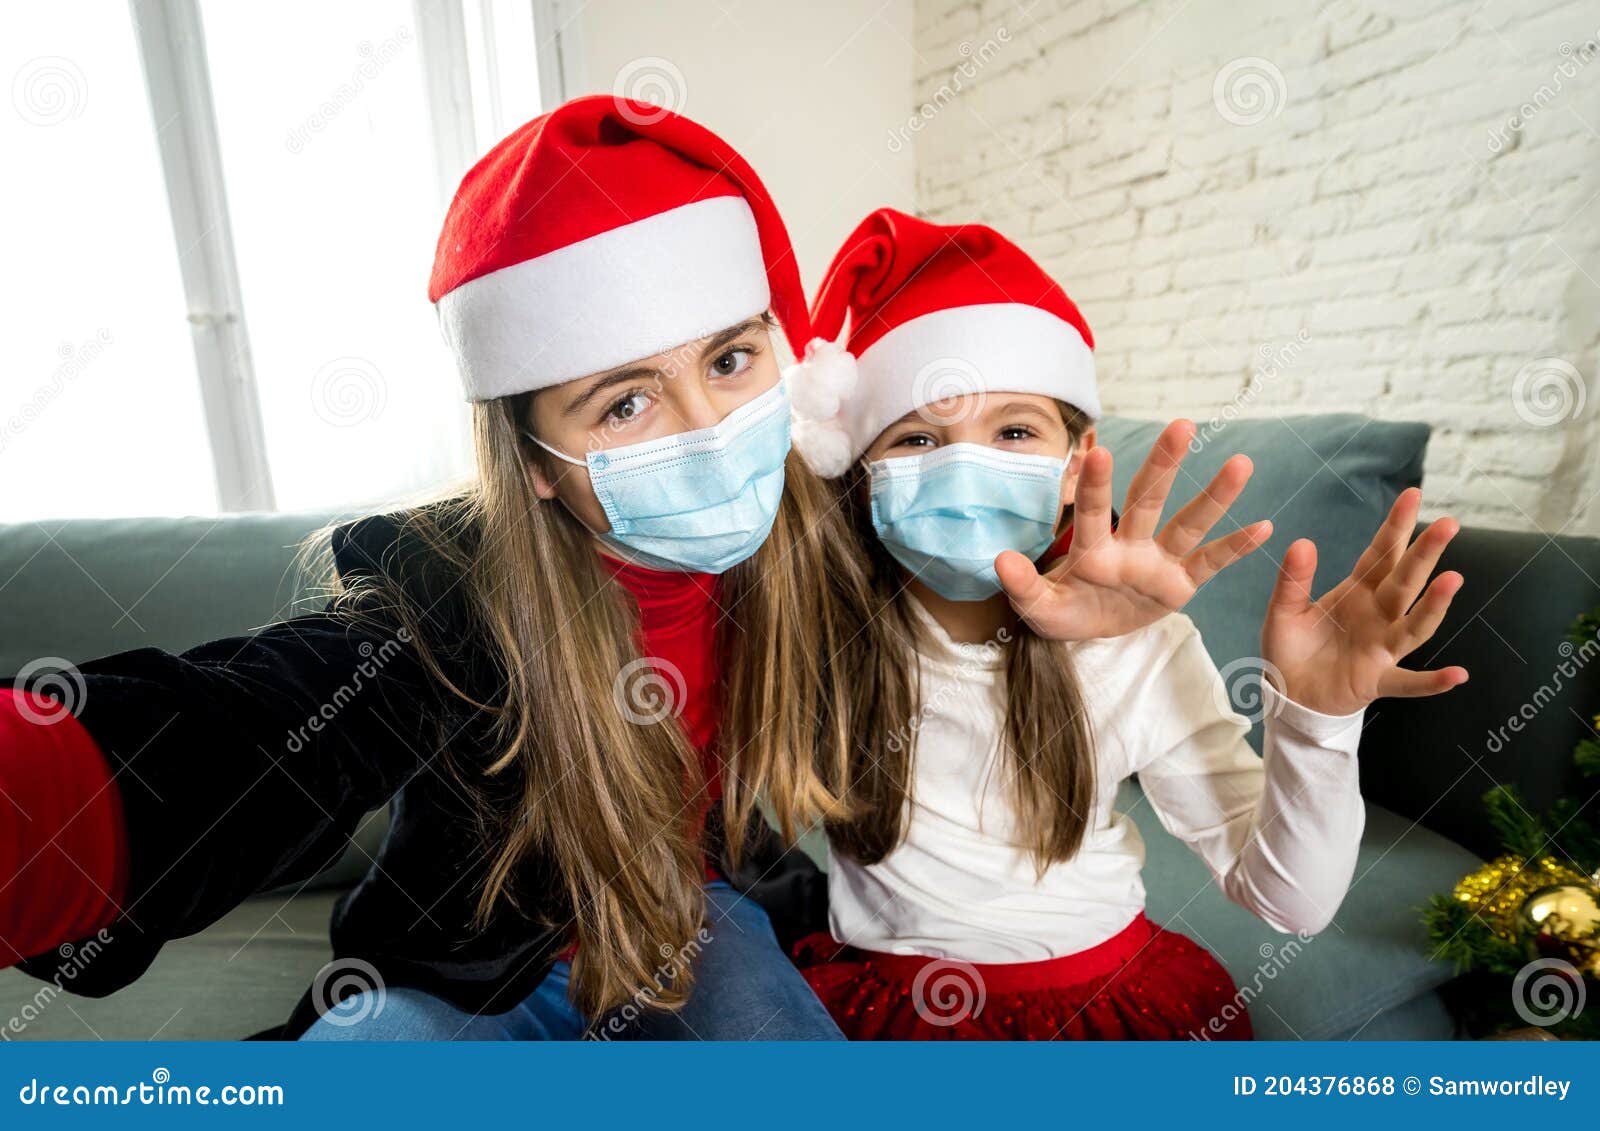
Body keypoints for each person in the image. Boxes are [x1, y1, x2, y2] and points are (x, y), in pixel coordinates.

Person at [0, 95, 868, 1041]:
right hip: (459, 976)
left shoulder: (811, 540)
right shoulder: (445, 593)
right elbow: (258, 730)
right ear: (535, 460)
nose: (711, 428)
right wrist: (43, 801)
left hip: (693, 924)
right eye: (625, 404)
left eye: (732, 358)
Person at [786, 209, 1468, 1040]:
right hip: (890, 1010)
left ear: (1077, 465)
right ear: (857, 476)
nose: (964, 466)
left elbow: (1292, 901)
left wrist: (1318, 717)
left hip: (1112, 1006)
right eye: (919, 437)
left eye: (1012, 430)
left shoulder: (1137, 644)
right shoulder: (813, 633)